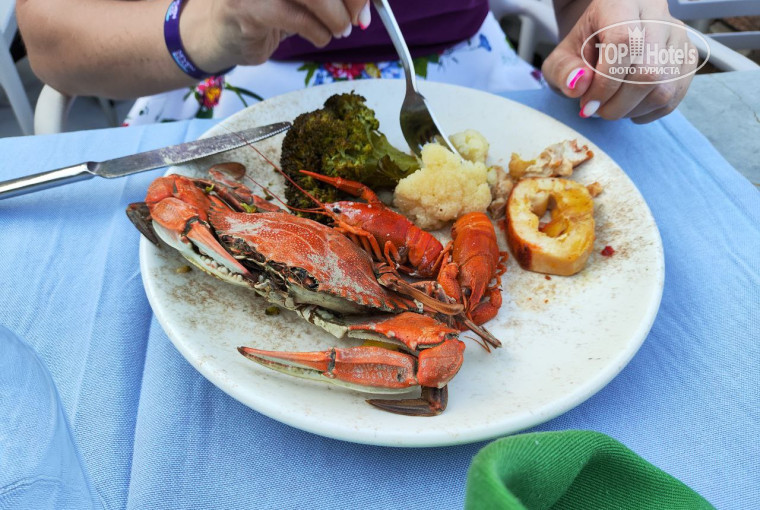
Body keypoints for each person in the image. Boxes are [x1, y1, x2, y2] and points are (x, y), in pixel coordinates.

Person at [16, 0, 695, 126]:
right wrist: (214, 23)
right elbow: (50, 37)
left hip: (473, 78)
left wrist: (626, 16)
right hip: (226, 84)